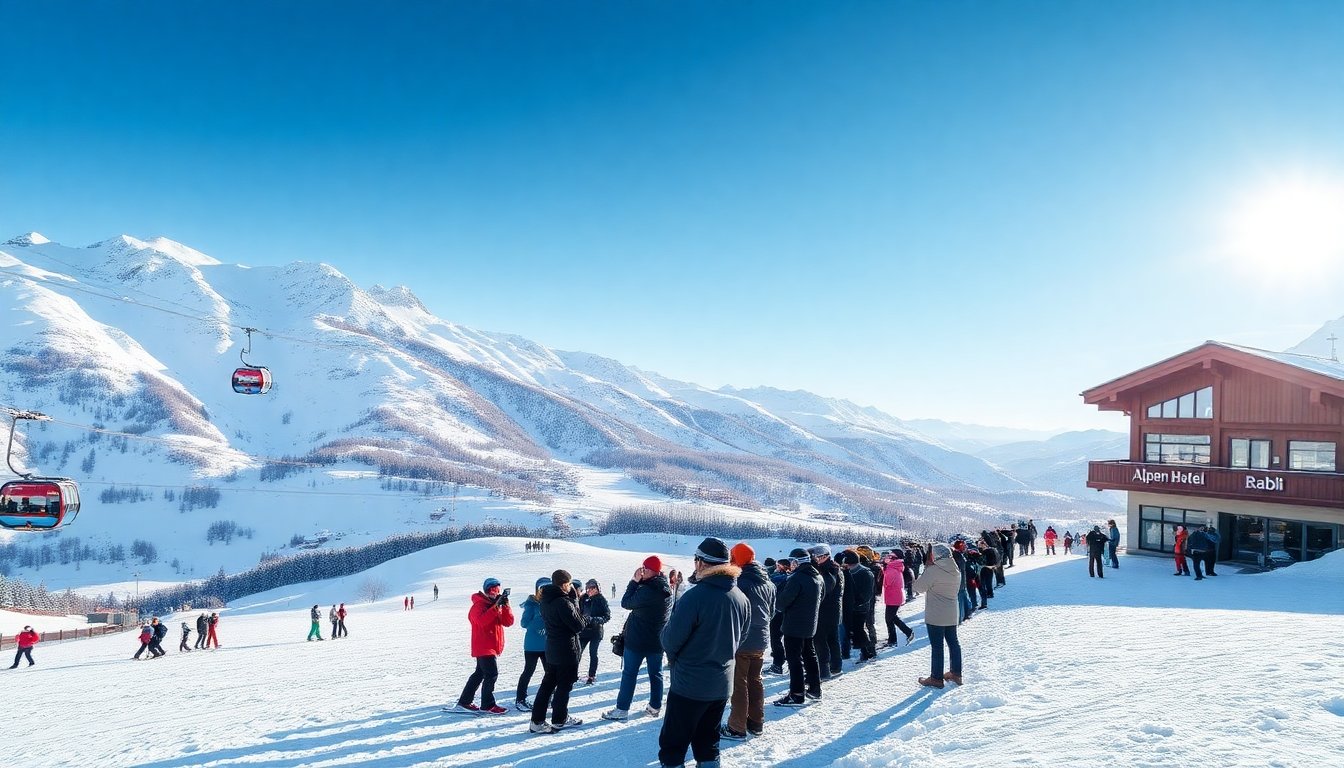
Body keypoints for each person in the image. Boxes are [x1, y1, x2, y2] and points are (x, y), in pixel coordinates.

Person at [657, 537, 750, 768]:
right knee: (708, 744)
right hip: (721, 685)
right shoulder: (741, 597)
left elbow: (670, 641)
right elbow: (742, 638)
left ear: (701, 563)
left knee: (673, 747)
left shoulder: (695, 597)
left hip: (689, 685)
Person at [602, 555, 673, 721]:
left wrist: (634, 581)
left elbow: (626, 602)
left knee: (629, 674)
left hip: (638, 641)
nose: (641, 571)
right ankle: (655, 706)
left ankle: (622, 709)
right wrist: (641, 582)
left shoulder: (649, 590)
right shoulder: (663, 588)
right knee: (656, 674)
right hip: (657, 640)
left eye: (643, 568)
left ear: (649, 570)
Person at [721, 541, 775, 740]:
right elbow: (772, 611)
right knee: (755, 680)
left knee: (739, 682)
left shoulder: (740, 582)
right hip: (761, 638)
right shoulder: (767, 581)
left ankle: (737, 727)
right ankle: (756, 722)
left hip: (743, 638)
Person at [529, 569, 587, 733]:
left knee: (547, 685)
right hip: (566, 649)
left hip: (552, 648)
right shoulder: (563, 603)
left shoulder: (546, 600)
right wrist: (575, 602)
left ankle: (537, 720)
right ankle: (560, 719)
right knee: (564, 685)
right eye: (569, 584)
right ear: (564, 584)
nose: (571, 588)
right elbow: (579, 625)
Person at [447, 577, 514, 715]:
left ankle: (464, 701)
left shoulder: (494, 605)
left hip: (491, 645)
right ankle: (487, 705)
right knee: (491, 673)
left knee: (480, 673)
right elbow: (481, 622)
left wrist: (506, 605)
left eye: (497, 589)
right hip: (483, 646)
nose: (495, 592)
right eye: (492, 589)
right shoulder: (478, 605)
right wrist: (496, 607)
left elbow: (508, 622)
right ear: (485, 590)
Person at [773, 547, 823, 707]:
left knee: (794, 659)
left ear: (796, 562)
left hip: (794, 624)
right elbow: (822, 597)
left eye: (791, 562)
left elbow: (781, 603)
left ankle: (796, 693)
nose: (790, 565)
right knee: (810, 654)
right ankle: (815, 688)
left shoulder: (796, 579)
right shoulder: (817, 576)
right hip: (810, 623)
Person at [913, 543, 963, 688]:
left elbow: (918, 588)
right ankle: (956, 673)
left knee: (937, 646)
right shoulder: (955, 569)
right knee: (954, 643)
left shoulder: (933, 570)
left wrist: (926, 569)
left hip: (936, 614)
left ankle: (936, 678)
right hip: (952, 612)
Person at [515, 577, 551, 711]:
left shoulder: (551, 602)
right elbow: (524, 623)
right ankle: (520, 699)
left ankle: (548, 698)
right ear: (537, 589)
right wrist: (537, 623)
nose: (544, 591)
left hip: (547, 645)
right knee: (528, 671)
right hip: (532, 646)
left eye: (547, 588)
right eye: (542, 588)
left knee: (550, 673)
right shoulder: (531, 604)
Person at [836, 550, 876, 663]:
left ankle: (868, 652)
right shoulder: (850, 572)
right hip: (850, 607)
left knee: (858, 630)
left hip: (860, 608)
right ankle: (864, 652)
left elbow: (866, 595)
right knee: (854, 631)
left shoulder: (865, 573)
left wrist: (855, 603)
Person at [810, 543, 843, 679]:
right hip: (833, 610)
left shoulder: (829, 570)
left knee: (821, 640)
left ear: (826, 556)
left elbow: (825, 589)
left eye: (819, 556)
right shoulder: (833, 568)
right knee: (832, 639)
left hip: (826, 611)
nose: (816, 559)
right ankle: (835, 666)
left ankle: (824, 670)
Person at [577, 578, 611, 685]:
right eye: (588, 588)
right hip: (584, 631)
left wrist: (595, 620)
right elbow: (578, 611)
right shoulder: (583, 599)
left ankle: (591, 676)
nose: (590, 590)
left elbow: (607, 616)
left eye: (593, 588)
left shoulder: (601, 600)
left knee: (593, 653)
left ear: (597, 588)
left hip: (596, 631)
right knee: (578, 652)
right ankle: (573, 674)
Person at [881, 550, 915, 646]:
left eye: (890, 556)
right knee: (892, 618)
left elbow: (888, 582)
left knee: (889, 618)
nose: (888, 558)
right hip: (894, 596)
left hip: (893, 597)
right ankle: (895, 638)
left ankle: (905, 634)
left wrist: (885, 568)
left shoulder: (892, 568)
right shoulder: (894, 566)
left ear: (895, 558)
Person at [766, 556, 792, 674]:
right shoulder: (791, 577)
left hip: (778, 612)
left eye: (778, 565)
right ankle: (784, 659)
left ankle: (778, 663)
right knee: (786, 638)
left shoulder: (778, 578)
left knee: (775, 638)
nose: (776, 568)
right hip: (788, 612)